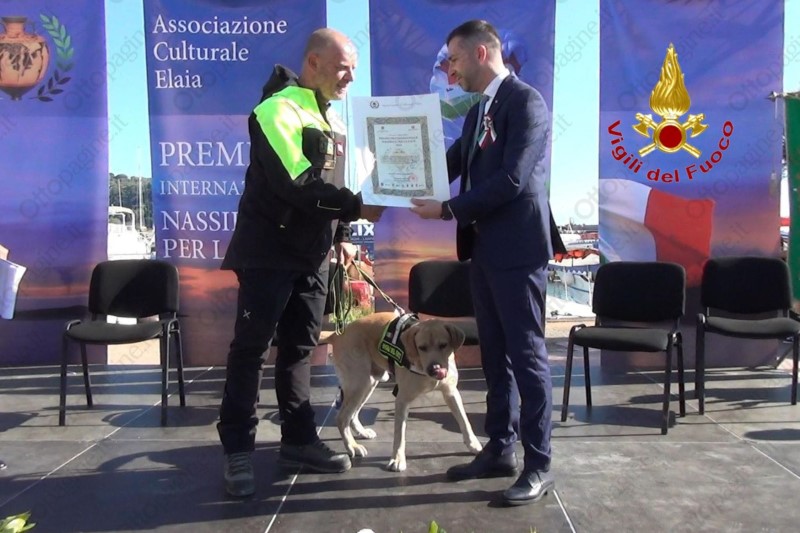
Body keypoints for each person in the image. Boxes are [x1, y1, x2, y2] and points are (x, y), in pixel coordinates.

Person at [217, 28, 378, 498]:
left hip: (313, 255)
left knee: (301, 350)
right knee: (251, 350)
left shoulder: (330, 115)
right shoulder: (276, 109)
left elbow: (337, 179)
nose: (350, 78)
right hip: (267, 252)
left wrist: (343, 235)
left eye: (354, 70)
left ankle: (299, 441)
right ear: (314, 62)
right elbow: (296, 182)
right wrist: (357, 207)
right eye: (343, 68)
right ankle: (237, 450)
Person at [410, 20, 565, 507]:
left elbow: (513, 180)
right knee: (495, 354)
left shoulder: (526, 102)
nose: (450, 71)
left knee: (527, 357)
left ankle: (539, 464)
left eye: (454, 60)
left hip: (518, 250)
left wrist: (448, 209)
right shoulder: (479, 110)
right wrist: (396, 173)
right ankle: (500, 447)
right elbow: (452, 162)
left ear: (480, 53)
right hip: (483, 249)